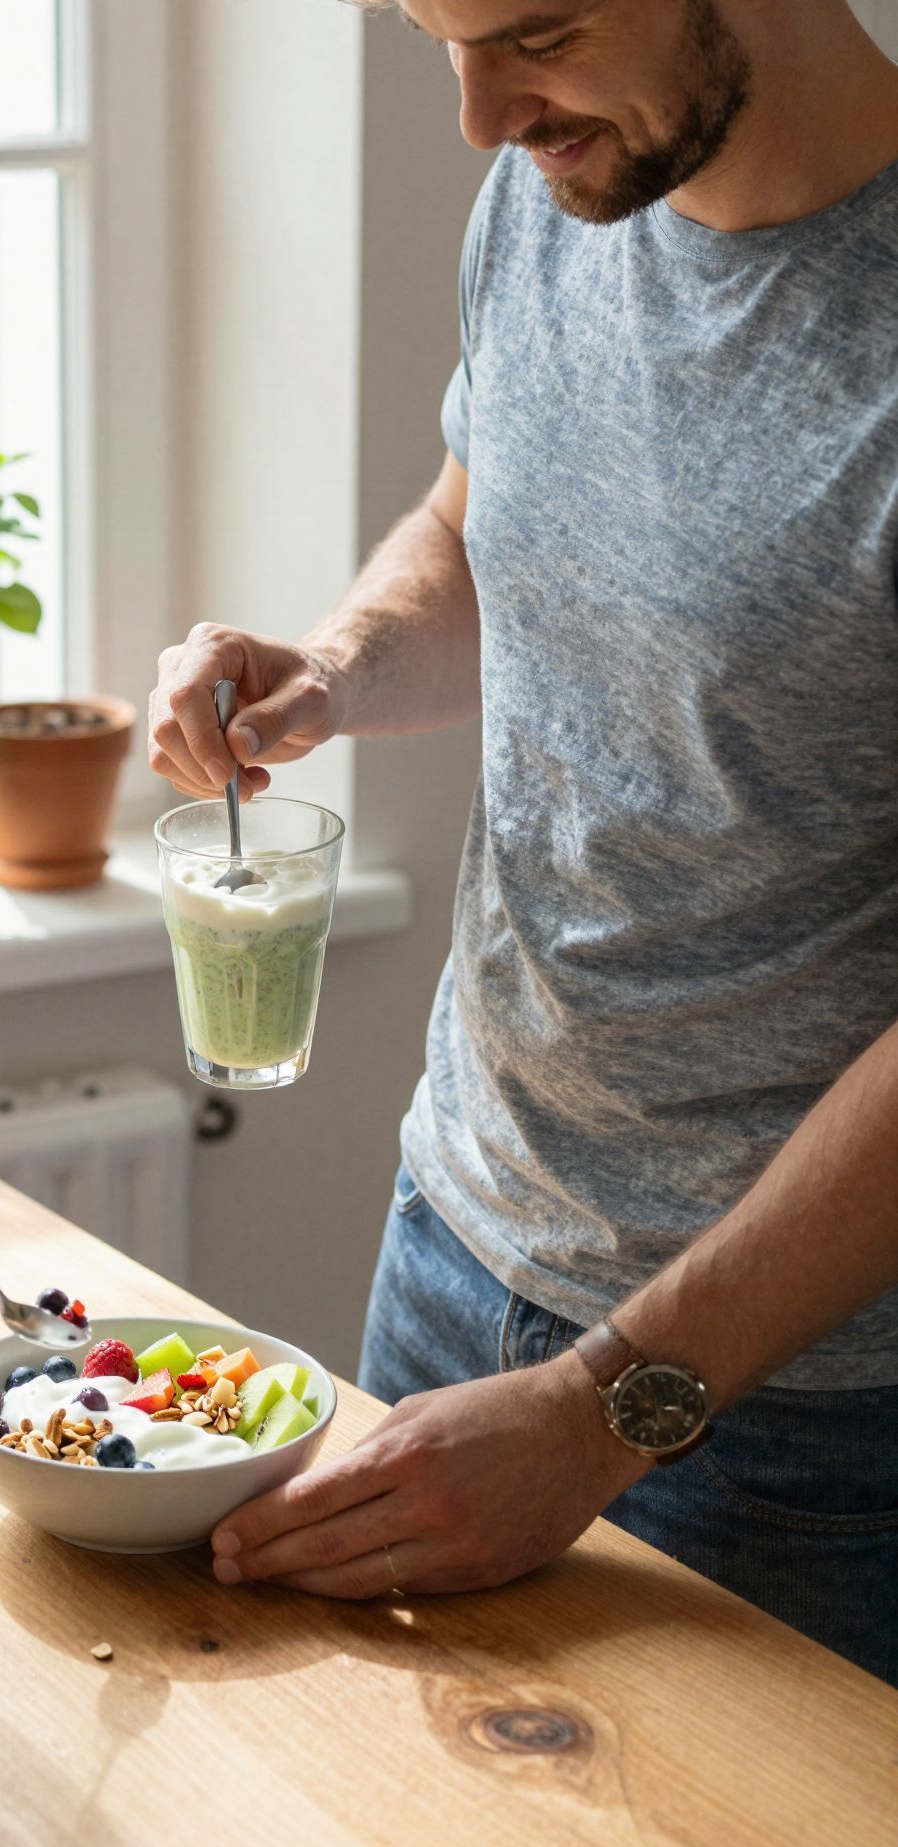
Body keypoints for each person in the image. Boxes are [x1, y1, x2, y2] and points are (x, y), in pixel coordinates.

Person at [149, 0, 898, 1683]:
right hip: (456, 1245)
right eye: (439, 39)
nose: (482, 116)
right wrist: (330, 669)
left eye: (533, 33)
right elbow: (481, 525)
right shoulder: (568, 198)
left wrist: (600, 1410)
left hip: (793, 1418)